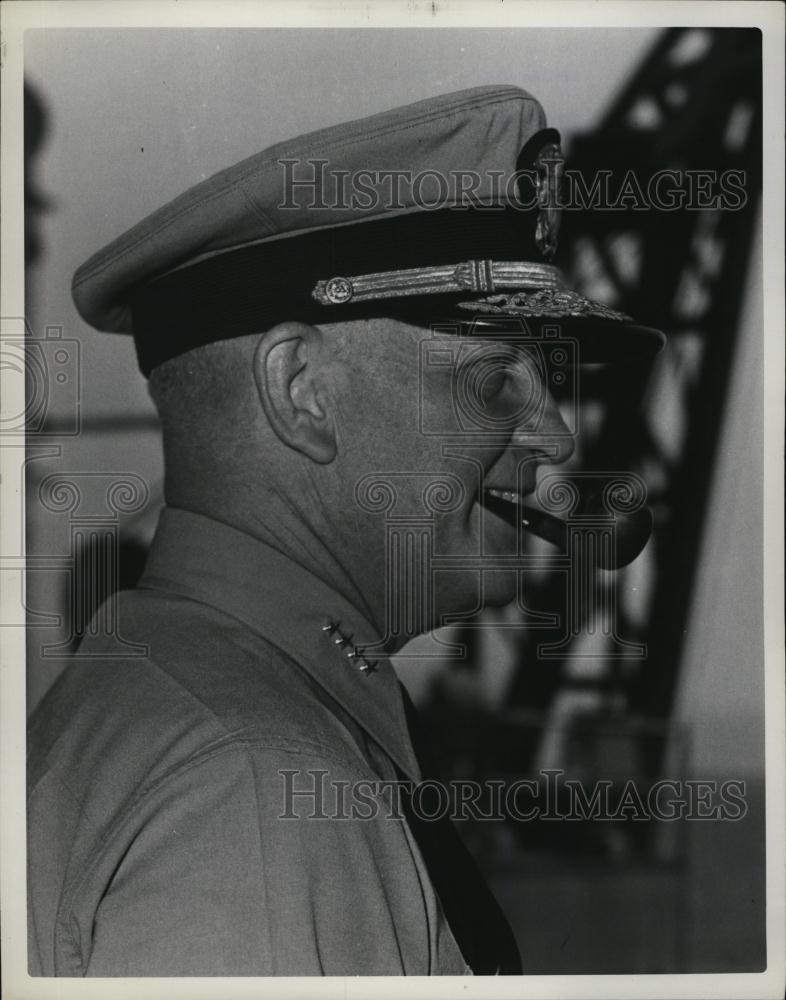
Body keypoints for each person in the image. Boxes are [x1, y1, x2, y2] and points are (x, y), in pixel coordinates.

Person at [27, 85, 663, 976]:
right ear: (301, 392)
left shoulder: (149, 703)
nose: (553, 435)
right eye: (494, 380)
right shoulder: (259, 789)